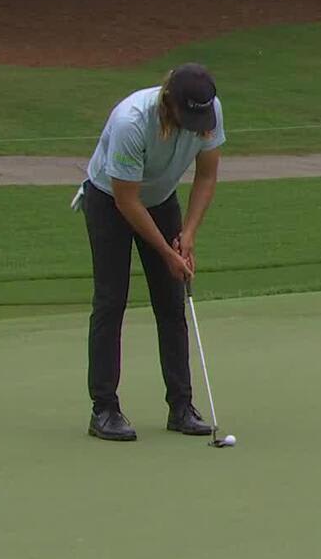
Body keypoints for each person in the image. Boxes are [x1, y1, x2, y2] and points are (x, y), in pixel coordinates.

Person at [78, 63, 225, 441]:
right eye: (190, 115)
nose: (199, 124)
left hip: (160, 201)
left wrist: (188, 235)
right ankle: (104, 410)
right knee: (111, 301)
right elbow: (127, 201)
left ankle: (181, 406)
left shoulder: (209, 111)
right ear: (169, 104)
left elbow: (207, 175)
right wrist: (166, 251)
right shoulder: (131, 121)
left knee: (171, 302)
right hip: (110, 201)